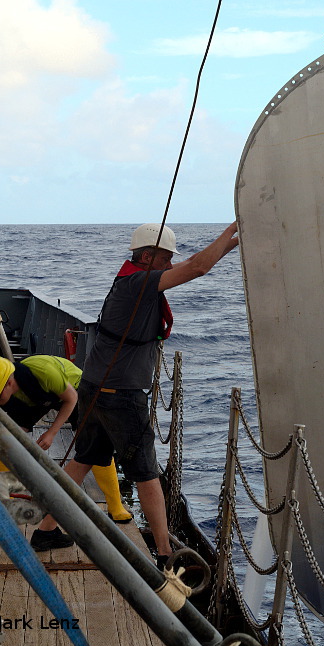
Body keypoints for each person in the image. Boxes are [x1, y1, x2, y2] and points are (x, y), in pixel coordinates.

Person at [33, 222, 239, 562]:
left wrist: (235, 241)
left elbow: (196, 264)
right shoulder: (141, 283)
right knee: (146, 473)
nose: (171, 265)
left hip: (95, 388)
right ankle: (164, 554)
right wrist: (232, 229)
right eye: (165, 258)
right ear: (146, 257)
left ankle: (46, 530)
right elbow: (198, 267)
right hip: (121, 394)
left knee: (83, 460)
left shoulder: (127, 281)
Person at [0, 354, 133, 531]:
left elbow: (71, 398)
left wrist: (51, 432)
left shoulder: (44, 373)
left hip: (74, 391)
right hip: (33, 398)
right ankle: (6, 500)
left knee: (96, 445)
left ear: (9, 383)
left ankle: (115, 505)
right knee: (4, 439)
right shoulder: (4, 393)